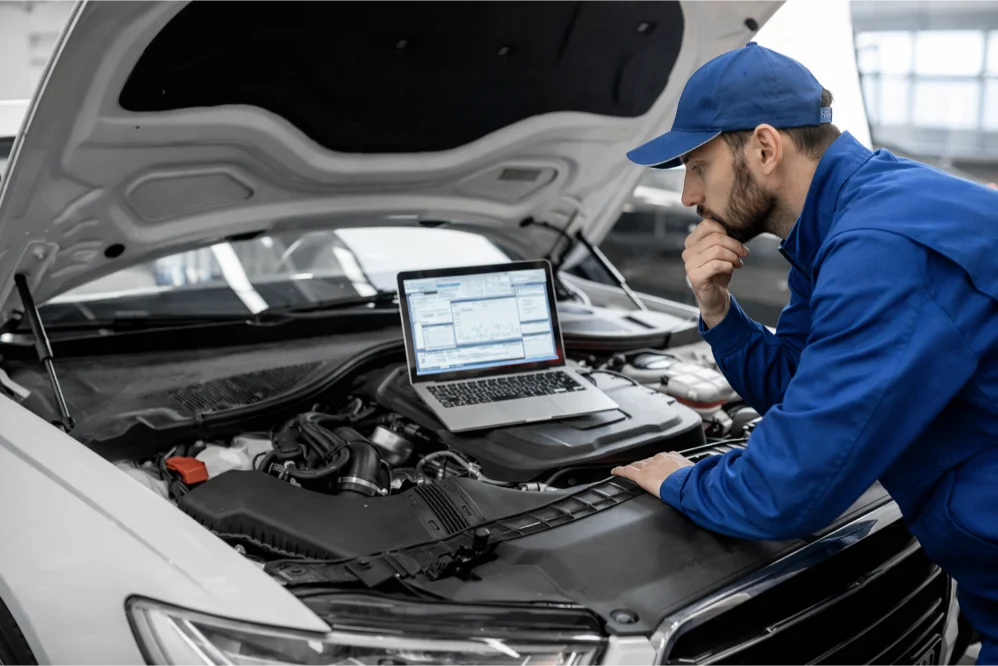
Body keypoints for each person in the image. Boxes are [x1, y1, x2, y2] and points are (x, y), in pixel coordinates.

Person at [611, 42, 998, 664]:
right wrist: (716, 310)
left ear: (765, 149)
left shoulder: (879, 247)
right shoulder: (844, 221)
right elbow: (798, 383)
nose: (687, 194)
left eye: (697, 165)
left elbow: (786, 490)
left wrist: (680, 480)